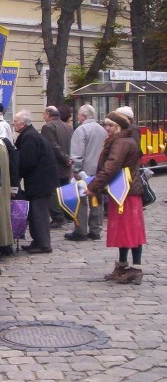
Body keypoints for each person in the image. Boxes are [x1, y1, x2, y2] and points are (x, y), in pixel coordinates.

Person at [85, 112, 147, 284]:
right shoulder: (124, 140)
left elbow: (111, 168)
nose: (107, 128)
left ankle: (134, 269)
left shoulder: (120, 143)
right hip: (125, 192)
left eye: (110, 125)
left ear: (119, 126)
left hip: (124, 193)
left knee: (129, 231)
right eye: (106, 124)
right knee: (128, 231)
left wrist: (92, 187)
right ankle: (124, 266)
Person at [13, 110, 58, 253]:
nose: (13, 124)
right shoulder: (30, 135)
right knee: (35, 212)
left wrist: (17, 175)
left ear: (23, 124)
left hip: (40, 182)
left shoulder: (29, 137)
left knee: (39, 213)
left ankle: (43, 244)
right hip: (40, 180)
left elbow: (28, 161)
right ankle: (38, 240)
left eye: (15, 122)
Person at [66, 105, 108, 242]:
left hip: (84, 172)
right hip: (99, 171)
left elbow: (77, 153)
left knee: (80, 201)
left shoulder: (81, 130)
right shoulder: (102, 130)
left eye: (78, 115)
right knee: (96, 200)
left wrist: (76, 170)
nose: (77, 117)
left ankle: (81, 230)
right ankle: (95, 229)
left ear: (83, 116)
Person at [41, 106, 73, 228]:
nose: (43, 116)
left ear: (49, 114)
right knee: (64, 190)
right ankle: (66, 214)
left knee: (53, 191)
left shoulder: (48, 127)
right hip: (66, 164)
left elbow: (51, 146)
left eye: (44, 114)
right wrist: (69, 159)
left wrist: (65, 158)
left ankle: (58, 217)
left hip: (55, 164)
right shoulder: (67, 127)